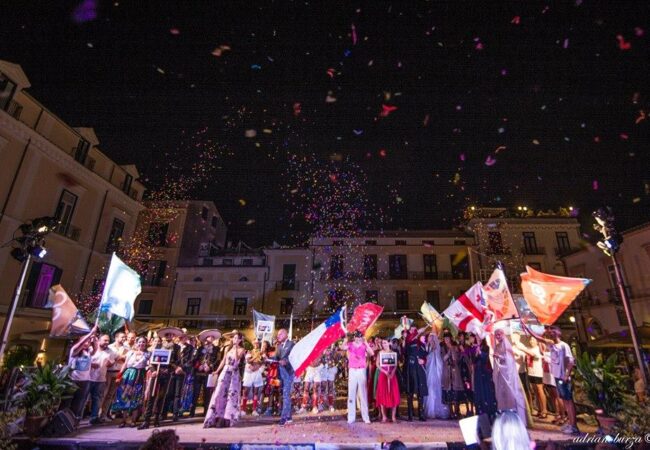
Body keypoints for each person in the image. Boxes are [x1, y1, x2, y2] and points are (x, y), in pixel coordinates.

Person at [204, 330, 246, 428]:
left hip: (234, 372)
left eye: (237, 338)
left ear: (240, 340)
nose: (234, 339)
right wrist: (217, 371)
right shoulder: (227, 348)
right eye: (234, 338)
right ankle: (217, 416)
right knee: (220, 392)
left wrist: (236, 348)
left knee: (231, 395)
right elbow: (223, 361)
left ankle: (227, 418)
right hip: (225, 371)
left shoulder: (242, 349)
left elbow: (236, 360)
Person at [492, 329, 527, 426]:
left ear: (503, 334)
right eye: (496, 335)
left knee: (511, 393)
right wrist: (497, 357)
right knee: (502, 394)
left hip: (508, 373)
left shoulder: (507, 345)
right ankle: (504, 417)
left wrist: (499, 357)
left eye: (499, 334)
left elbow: (510, 359)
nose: (497, 336)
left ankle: (514, 417)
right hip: (501, 373)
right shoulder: (497, 346)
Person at [112, 336, 150, 427]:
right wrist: (119, 376)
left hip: (139, 375)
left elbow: (150, 365)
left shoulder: (148, 354)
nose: (141, 344)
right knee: (124, 396)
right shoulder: (130, 352)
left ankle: (133, 420)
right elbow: (125, 364)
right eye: (139, 342)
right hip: (128, 375)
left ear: (146, 344)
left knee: (136, 396)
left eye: (143, 342)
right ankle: (123, 420)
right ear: (136, 343)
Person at [546, 328, 578, 434]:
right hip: (557, 376)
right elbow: (540, 338)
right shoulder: (552, 346)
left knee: (568, 401)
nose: (551, 334)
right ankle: (570, 423)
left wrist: (566, 375)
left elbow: (571, 361)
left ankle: (574, 426)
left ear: (558, 334)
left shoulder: (564, 345)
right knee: (564, 400)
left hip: (563, 377)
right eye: (550, 333)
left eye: (553, 332)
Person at [340, 330, 374, 424]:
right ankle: (351, 417)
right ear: (354, 337)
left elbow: (372, 353)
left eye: (359, 337)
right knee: (351, 393)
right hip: (352, 370)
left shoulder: (364, 345)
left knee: (363, 394)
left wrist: (366, 343)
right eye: (357, 337)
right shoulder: (350, 344)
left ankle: (366, 417)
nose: (358, 338)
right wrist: (345, 341)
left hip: (361, 370)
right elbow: (342, 347)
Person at [69, 324, 98, 422]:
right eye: (85, 341)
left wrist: (94, 337)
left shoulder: (88, 351)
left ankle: (76, 421)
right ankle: (67, 420)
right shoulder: (74, 350)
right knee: (70, 401)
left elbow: (96, 348)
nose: (87, 343)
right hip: (73, 380)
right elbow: (79, 345)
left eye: (88, 342)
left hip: (85, 381)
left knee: (80, 402)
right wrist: (89, 334)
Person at [191, 330, 221, 417]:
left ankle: (206, 411)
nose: (210, 338)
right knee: (195, 392)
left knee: (207, 393)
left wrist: (210, 366)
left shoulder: (216, 349)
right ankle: (192, 411)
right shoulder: (200, 348)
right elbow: (195, 359)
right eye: (209, 337)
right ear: (206, 338)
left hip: (209, 373)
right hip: (198, 373)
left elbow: (218, 360)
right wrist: (198, 366)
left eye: (212, 337)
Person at [88, 334, 117, 424]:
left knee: (97, 399)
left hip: (101, 379)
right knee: (85, 399)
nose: (107, 342)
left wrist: (110, 363)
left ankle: (94, 417)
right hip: (88, 378)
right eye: (105, 340)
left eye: (108, 340)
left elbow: (112, 362)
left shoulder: (110, 352)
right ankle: (78, 418)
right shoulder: (91, 349)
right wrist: (90, 365)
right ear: (99, 340)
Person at [403, 325, 428, 421]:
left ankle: (421, 414)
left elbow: (425, 356)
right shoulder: (408, 341)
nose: (413, 331)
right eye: (412, 330)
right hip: (411, 369)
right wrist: (416, 332)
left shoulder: (421, 344)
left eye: (415, 330)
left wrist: (424, 361)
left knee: (420, 392)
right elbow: (405, 349)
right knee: (410, 391)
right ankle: (410, 414)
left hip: (420, 370)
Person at [103, 332, 128, 421]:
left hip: (118, 373)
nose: (124, 339)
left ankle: (104, 414)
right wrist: (118, 358)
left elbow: (125, 360)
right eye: (122, 337)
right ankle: (97, 414)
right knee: (104, 393)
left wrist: (120, 358)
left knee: (111, 395)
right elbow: (107, 360)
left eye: (125, 337)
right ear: (116, 337)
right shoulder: (109, 347)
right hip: (107, 372)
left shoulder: (126, 348)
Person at [471, 338, 498, 422]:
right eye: (476, 337)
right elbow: (474, 361)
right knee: (479, 391)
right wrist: (476, 353)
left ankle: (489, 412)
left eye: (479, 337)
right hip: (478, 372)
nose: (477, 338)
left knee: (486, 391)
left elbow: (485, 359)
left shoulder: (486, 347)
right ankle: (480, 412)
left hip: (485, 372)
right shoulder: (475, 347)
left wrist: (480, 352)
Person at [424, 331, 449, 419]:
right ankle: (429, 409)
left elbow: (438, 359)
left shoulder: (436, 347)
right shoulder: (426, 345)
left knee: (434, 388)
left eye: (432, 337)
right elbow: (426, 356)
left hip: (434, 370)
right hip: (428, 369)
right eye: (429, 337)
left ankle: (434, 409)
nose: (430, 339)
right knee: (429, 387)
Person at [375, 339, 400, 422]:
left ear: (389, 343)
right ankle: (384, 416)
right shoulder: (380, 353)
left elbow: (396, 364)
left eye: (385, 343)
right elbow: (377, 364)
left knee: (394, 394)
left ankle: (393, 416)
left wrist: (392, 372)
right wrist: (384, 371)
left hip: (392, 375)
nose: (384, 344)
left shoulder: (393, 353)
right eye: (382, 343)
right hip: (383, 375)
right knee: (382, 394)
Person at [441, 332, 464, 419]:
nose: (446, 340)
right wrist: (449, 351)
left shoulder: (455, 347)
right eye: (445, 339)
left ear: (451, 339)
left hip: (455, 372)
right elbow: (443, 358)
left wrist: (452, 349)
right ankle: (451, 413)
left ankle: (456, 412)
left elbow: (456, 359)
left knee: (456, 392)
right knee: (448, 392)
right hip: (446, 371)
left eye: (448, 338)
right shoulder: (442, 348)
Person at [241, 339, 265, 416]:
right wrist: (256, 357)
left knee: (256, 391)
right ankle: (243, 409)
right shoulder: (249, 352)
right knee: (245, 391)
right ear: (252, 343)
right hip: (249, 373)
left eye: (257, 343)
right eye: (255, 343)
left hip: (257, 372)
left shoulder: (262, 353)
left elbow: (263, 361)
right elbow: (248, 361)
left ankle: (254, 410)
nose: (256, 344)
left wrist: (259, 365)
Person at [526, 338, 548, 419]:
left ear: (537, 341)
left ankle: (544, 410)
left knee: (540, 390)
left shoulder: (539, 349)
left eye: (533, 340)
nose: (531, 341)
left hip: (538, 372)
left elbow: (535, 356)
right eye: (530, 340)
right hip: (531, 372)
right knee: (535, 391)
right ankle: (539, 409)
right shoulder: (529, 348)